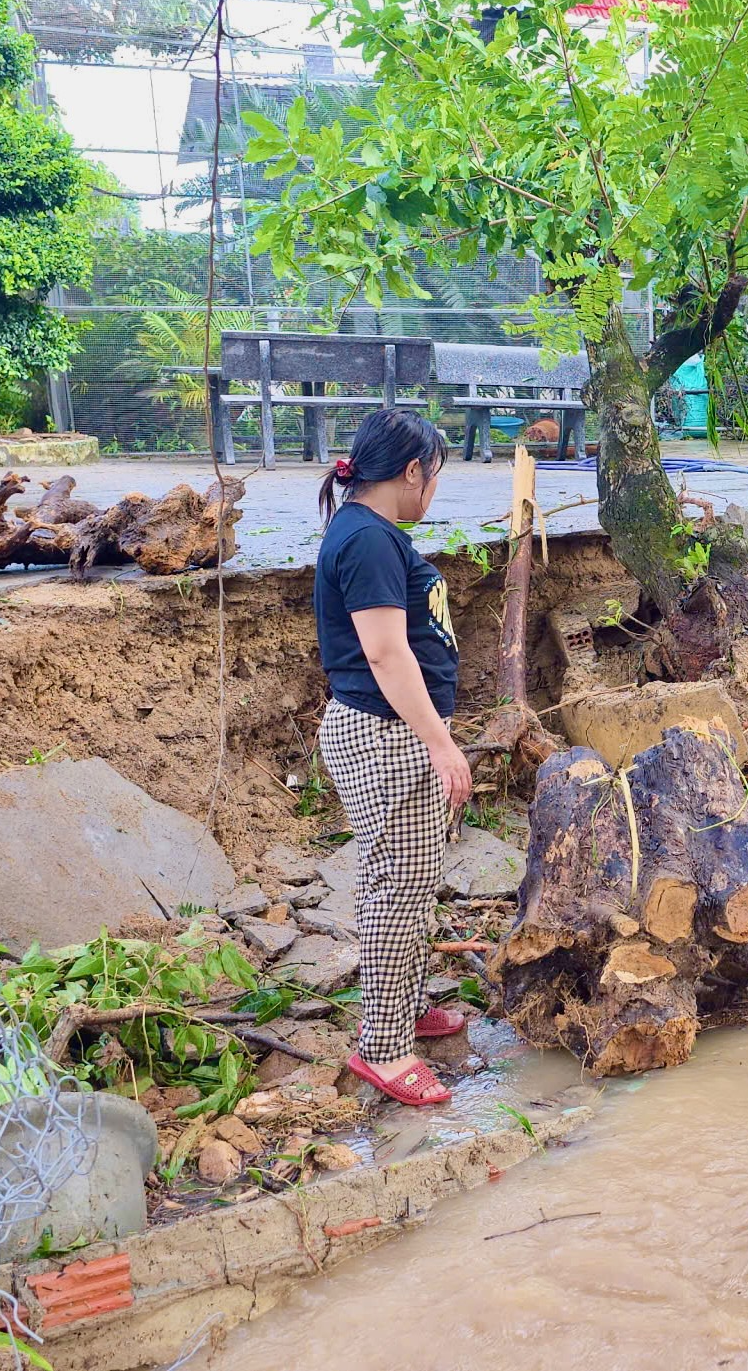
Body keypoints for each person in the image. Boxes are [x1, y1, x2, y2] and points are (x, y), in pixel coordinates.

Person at [313, 409, 471, 1107]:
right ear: (411, 472)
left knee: (410, 880)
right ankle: (382, 1046)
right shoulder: (370, 540)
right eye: (433, 476)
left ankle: (403, 1006)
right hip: (385, 735)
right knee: (395, 891)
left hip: (394, 731)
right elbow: (383, 650)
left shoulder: (367, 531)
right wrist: (439, 741)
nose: (432, 491)